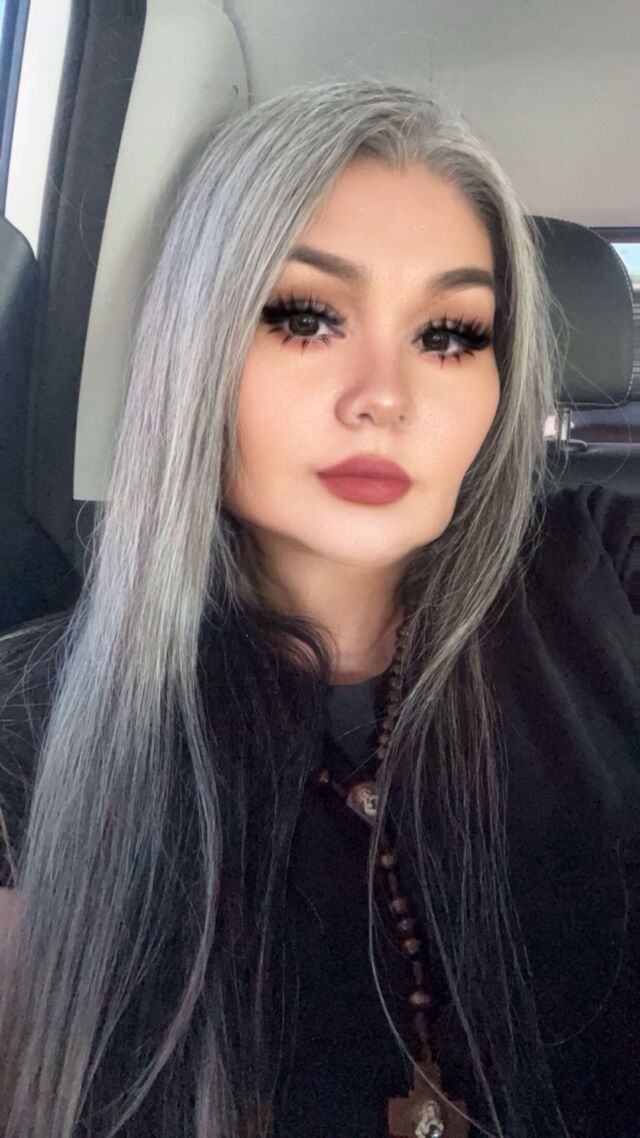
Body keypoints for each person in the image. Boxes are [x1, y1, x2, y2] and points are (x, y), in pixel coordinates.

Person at [0, 77, 637, 1138]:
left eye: (449, 333)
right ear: (193, 348)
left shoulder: (607, 568)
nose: (385, 394)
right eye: (306, 316)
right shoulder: (31, 730)